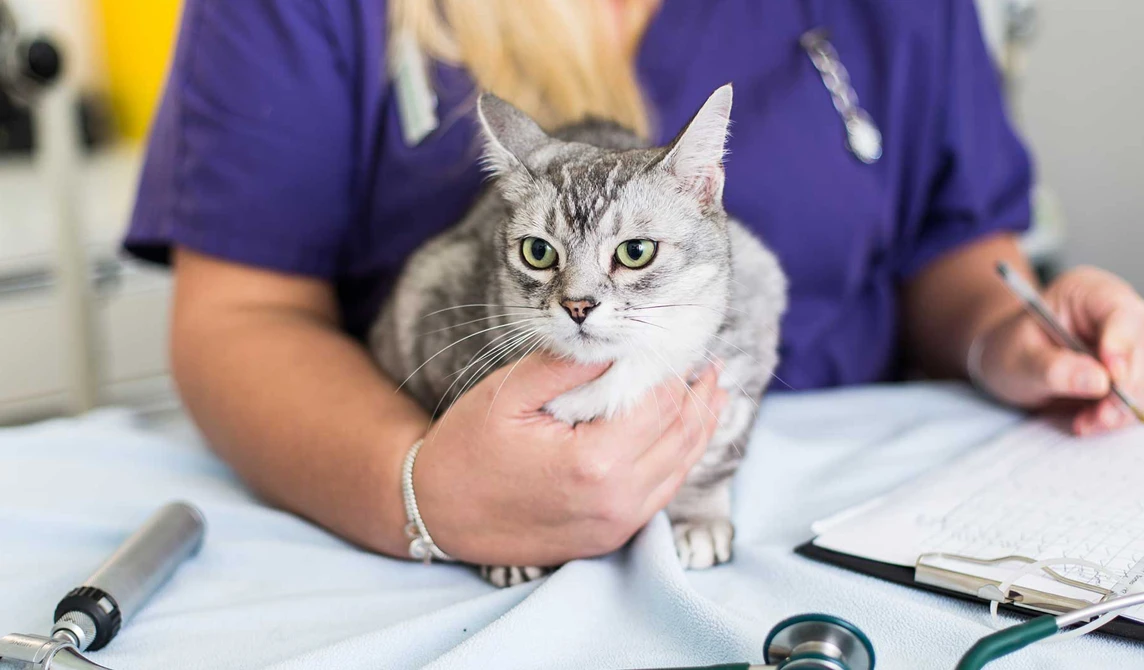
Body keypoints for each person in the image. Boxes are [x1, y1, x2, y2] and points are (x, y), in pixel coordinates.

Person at [124, 0, 1144, 568]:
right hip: (419, 531)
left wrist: (1008, 336)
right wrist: (419, 490)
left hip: (829, 529)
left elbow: (954, 252)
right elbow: (243, 316)